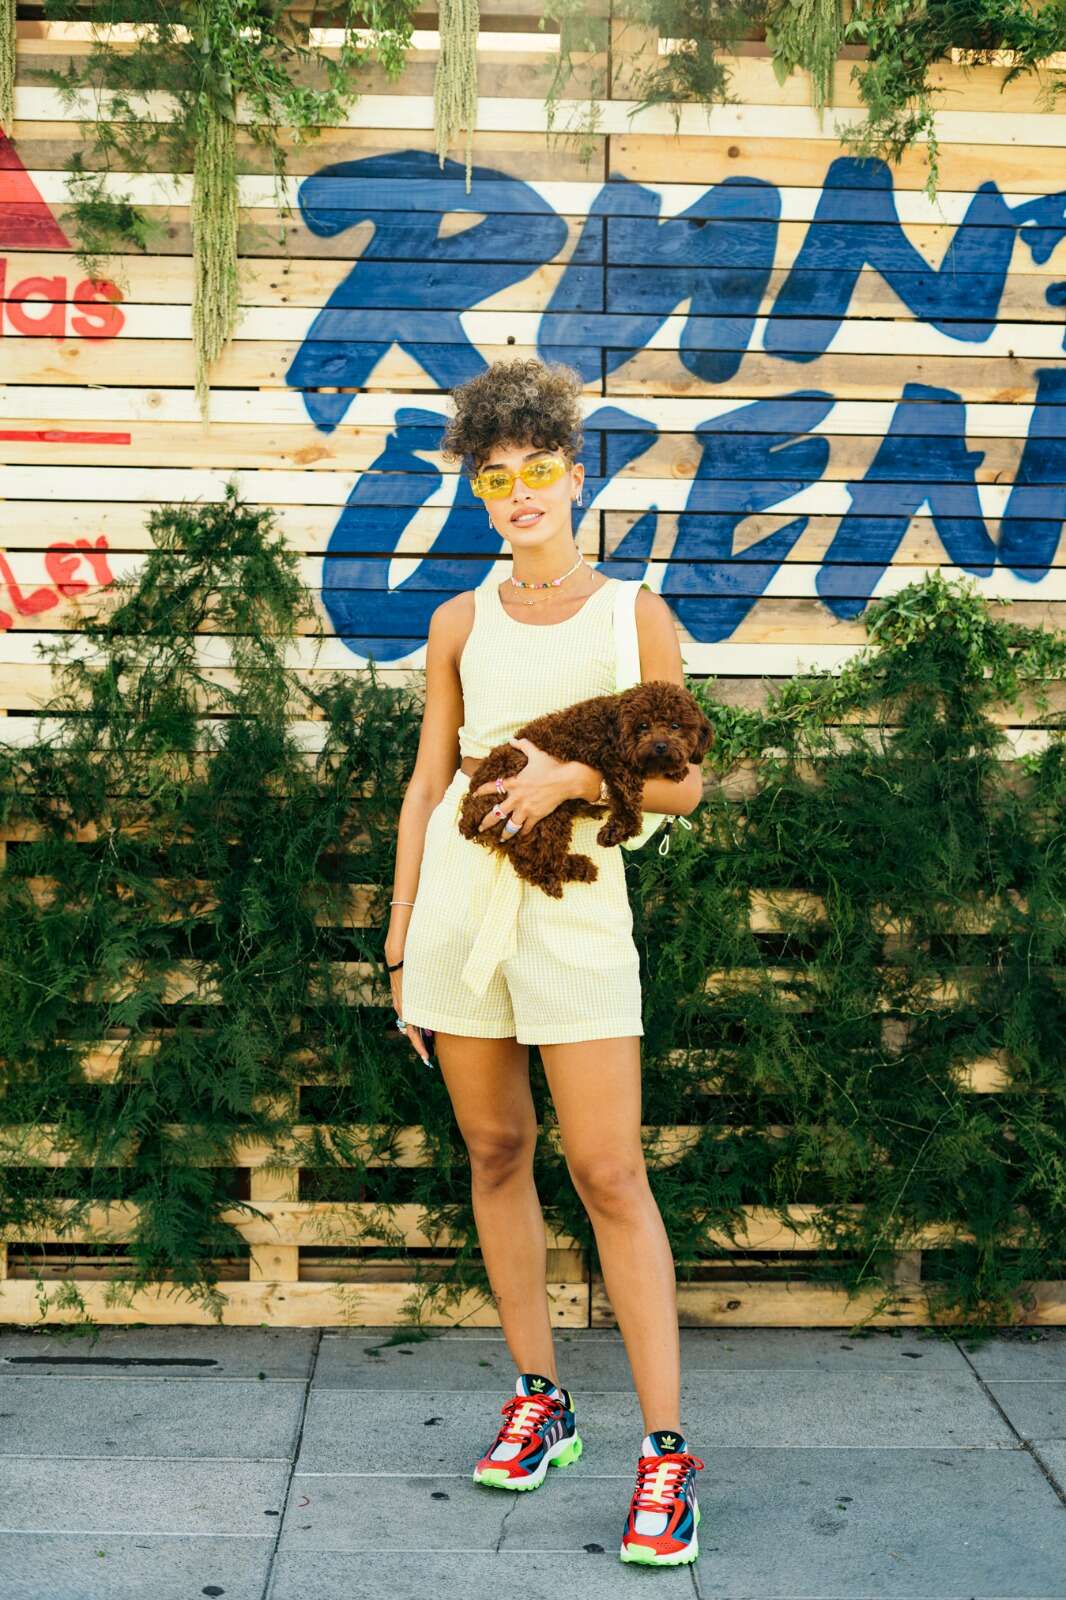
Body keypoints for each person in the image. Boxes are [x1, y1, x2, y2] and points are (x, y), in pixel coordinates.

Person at [384, 357, 705, 1567]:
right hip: (460, 911)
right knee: (495, 1149)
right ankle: (541, 1399)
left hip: (574, 916)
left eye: (537, 471)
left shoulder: (633, 615)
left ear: (576, 476)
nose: (518, 493)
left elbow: (683, 783)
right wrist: (402, 927)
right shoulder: (458, 621)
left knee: (610, 1170)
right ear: (478, 489)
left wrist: (575, 774)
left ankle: (665, 1455)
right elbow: (429, 781)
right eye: (494, 476)